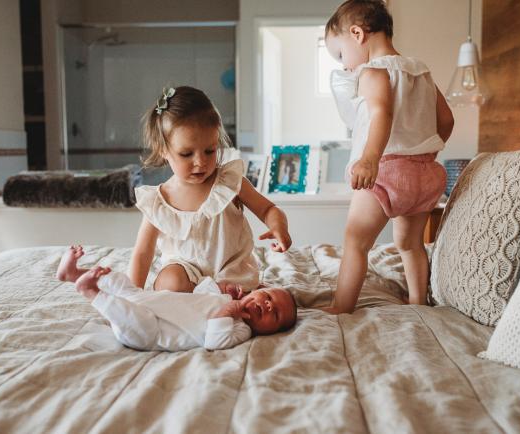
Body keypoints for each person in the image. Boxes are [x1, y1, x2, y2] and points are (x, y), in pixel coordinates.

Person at [322, 0, 454, 313]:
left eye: (341, 55)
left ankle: (341, 307)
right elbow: (446, 120)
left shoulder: (373, 72)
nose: (344, 66)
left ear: (357, 34)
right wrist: (424, 149)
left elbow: (382, 113)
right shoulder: (420, 71)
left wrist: (369, 159)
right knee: (410, 244)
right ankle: (417, 301)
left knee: (356, 241)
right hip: (425, 175)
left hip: (387, 171)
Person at [128, 85, 292, 293]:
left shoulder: (229, 182)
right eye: (186, 154)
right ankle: (198, 305)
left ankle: (226, 302)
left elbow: (268, 209)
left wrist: (279, 227)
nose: (200, 162)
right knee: (169, 281)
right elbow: (142, 253)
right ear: (163, 151)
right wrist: (131, 295)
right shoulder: (159, 201)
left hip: (232, 276)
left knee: (275, 308)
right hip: (187, 278)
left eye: (209, 150)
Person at [57, 245, 297, 351]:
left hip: (153, 332)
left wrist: (228, 313)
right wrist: (221, 288)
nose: (266, 306)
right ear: (254, 291)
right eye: (266, 297)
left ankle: (91, 292)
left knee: (132, 315)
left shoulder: (241, 329)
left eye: (274, 313)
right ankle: (73, 274)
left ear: (271, 331)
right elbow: (200, 293)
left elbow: (214, 341)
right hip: (150, 300)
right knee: (122, 285)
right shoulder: (225, 301)